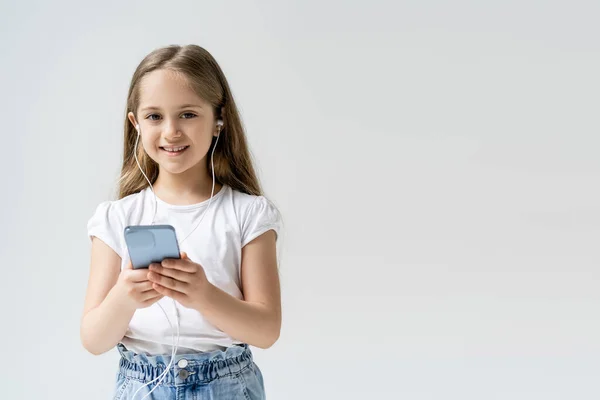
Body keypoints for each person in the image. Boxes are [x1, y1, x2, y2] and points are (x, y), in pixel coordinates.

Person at [80, 44, 283, 400]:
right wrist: (124, 297)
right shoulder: (116, 217)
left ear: (218, 119)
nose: (171, 131)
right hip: (142, 386)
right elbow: (94, 339)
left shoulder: (249, 214)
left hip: (227, 387)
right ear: (136, 124)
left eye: (188, 114)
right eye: (154, 117)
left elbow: (266, 331)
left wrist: (203, 295)